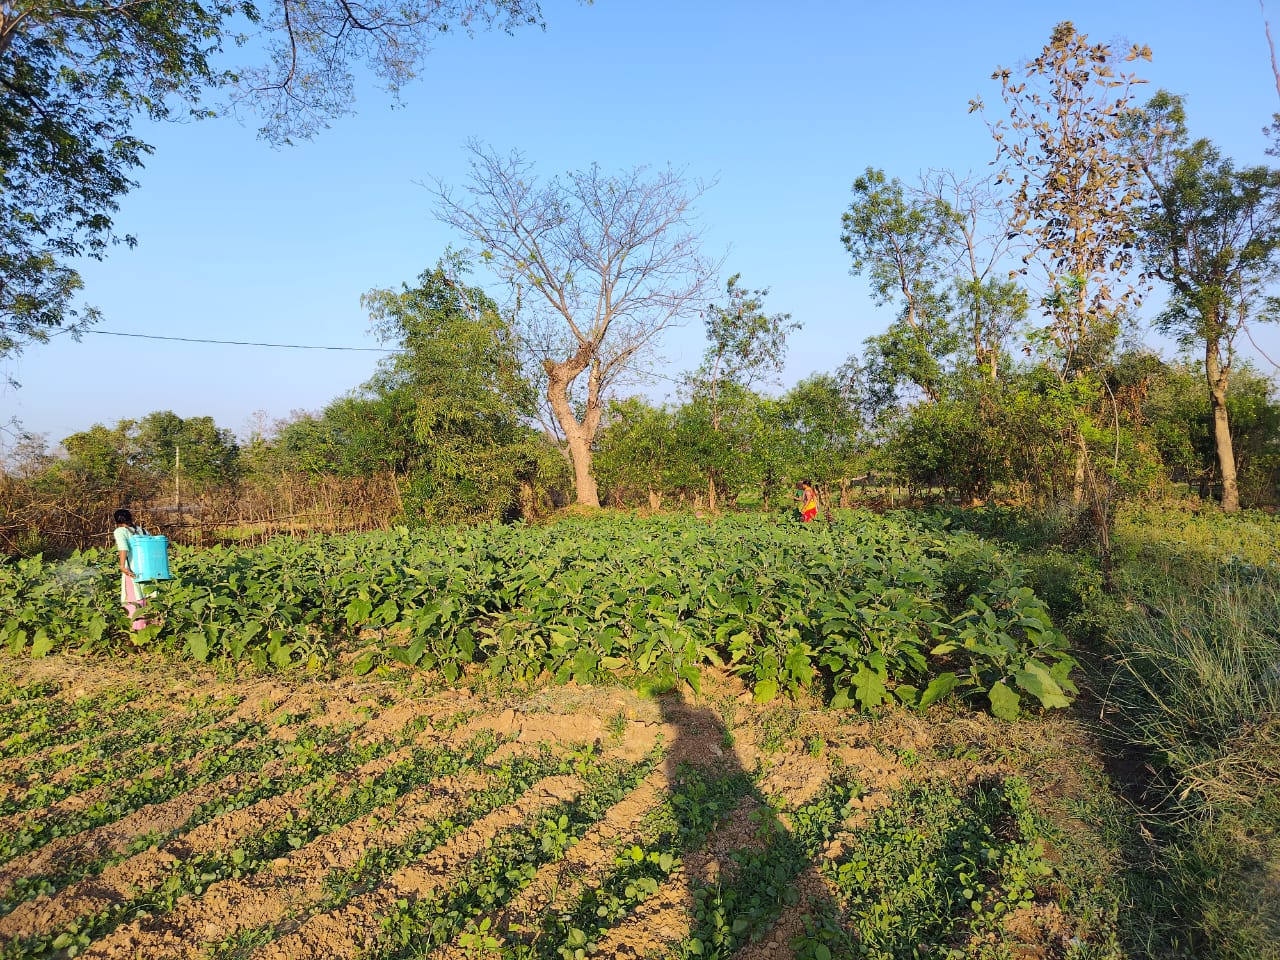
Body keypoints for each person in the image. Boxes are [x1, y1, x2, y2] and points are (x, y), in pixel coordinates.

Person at [113, 508, 150, 630]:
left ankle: (137, 627)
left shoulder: (120, 531)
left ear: (117, 521)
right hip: (148, 569)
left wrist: (122, 566)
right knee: (148, 595)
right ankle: (152, 625)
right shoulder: (142, 531)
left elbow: (123, 548)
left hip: (133, 570)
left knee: (134, 597)